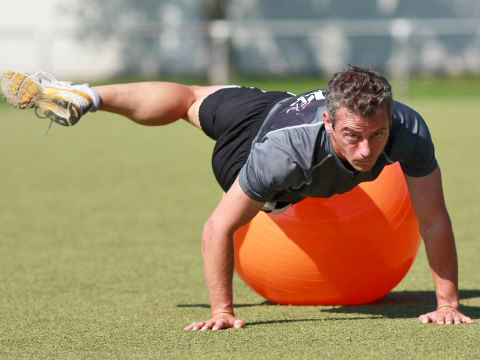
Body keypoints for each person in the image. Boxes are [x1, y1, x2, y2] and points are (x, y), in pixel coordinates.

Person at [0, 66, 473, 330]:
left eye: (377, 134)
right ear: (330, 123)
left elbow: (432, 218)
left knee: (189, 97)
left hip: (274, 104)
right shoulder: (285, 158)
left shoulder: (408, 131)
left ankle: (85, 96)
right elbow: (218, 227)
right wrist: (222, 312)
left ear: (391, 116)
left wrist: (449, 302)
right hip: (248, 150)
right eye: (353, 136)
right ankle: (84, 94)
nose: (367, 150)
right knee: (271, 193)